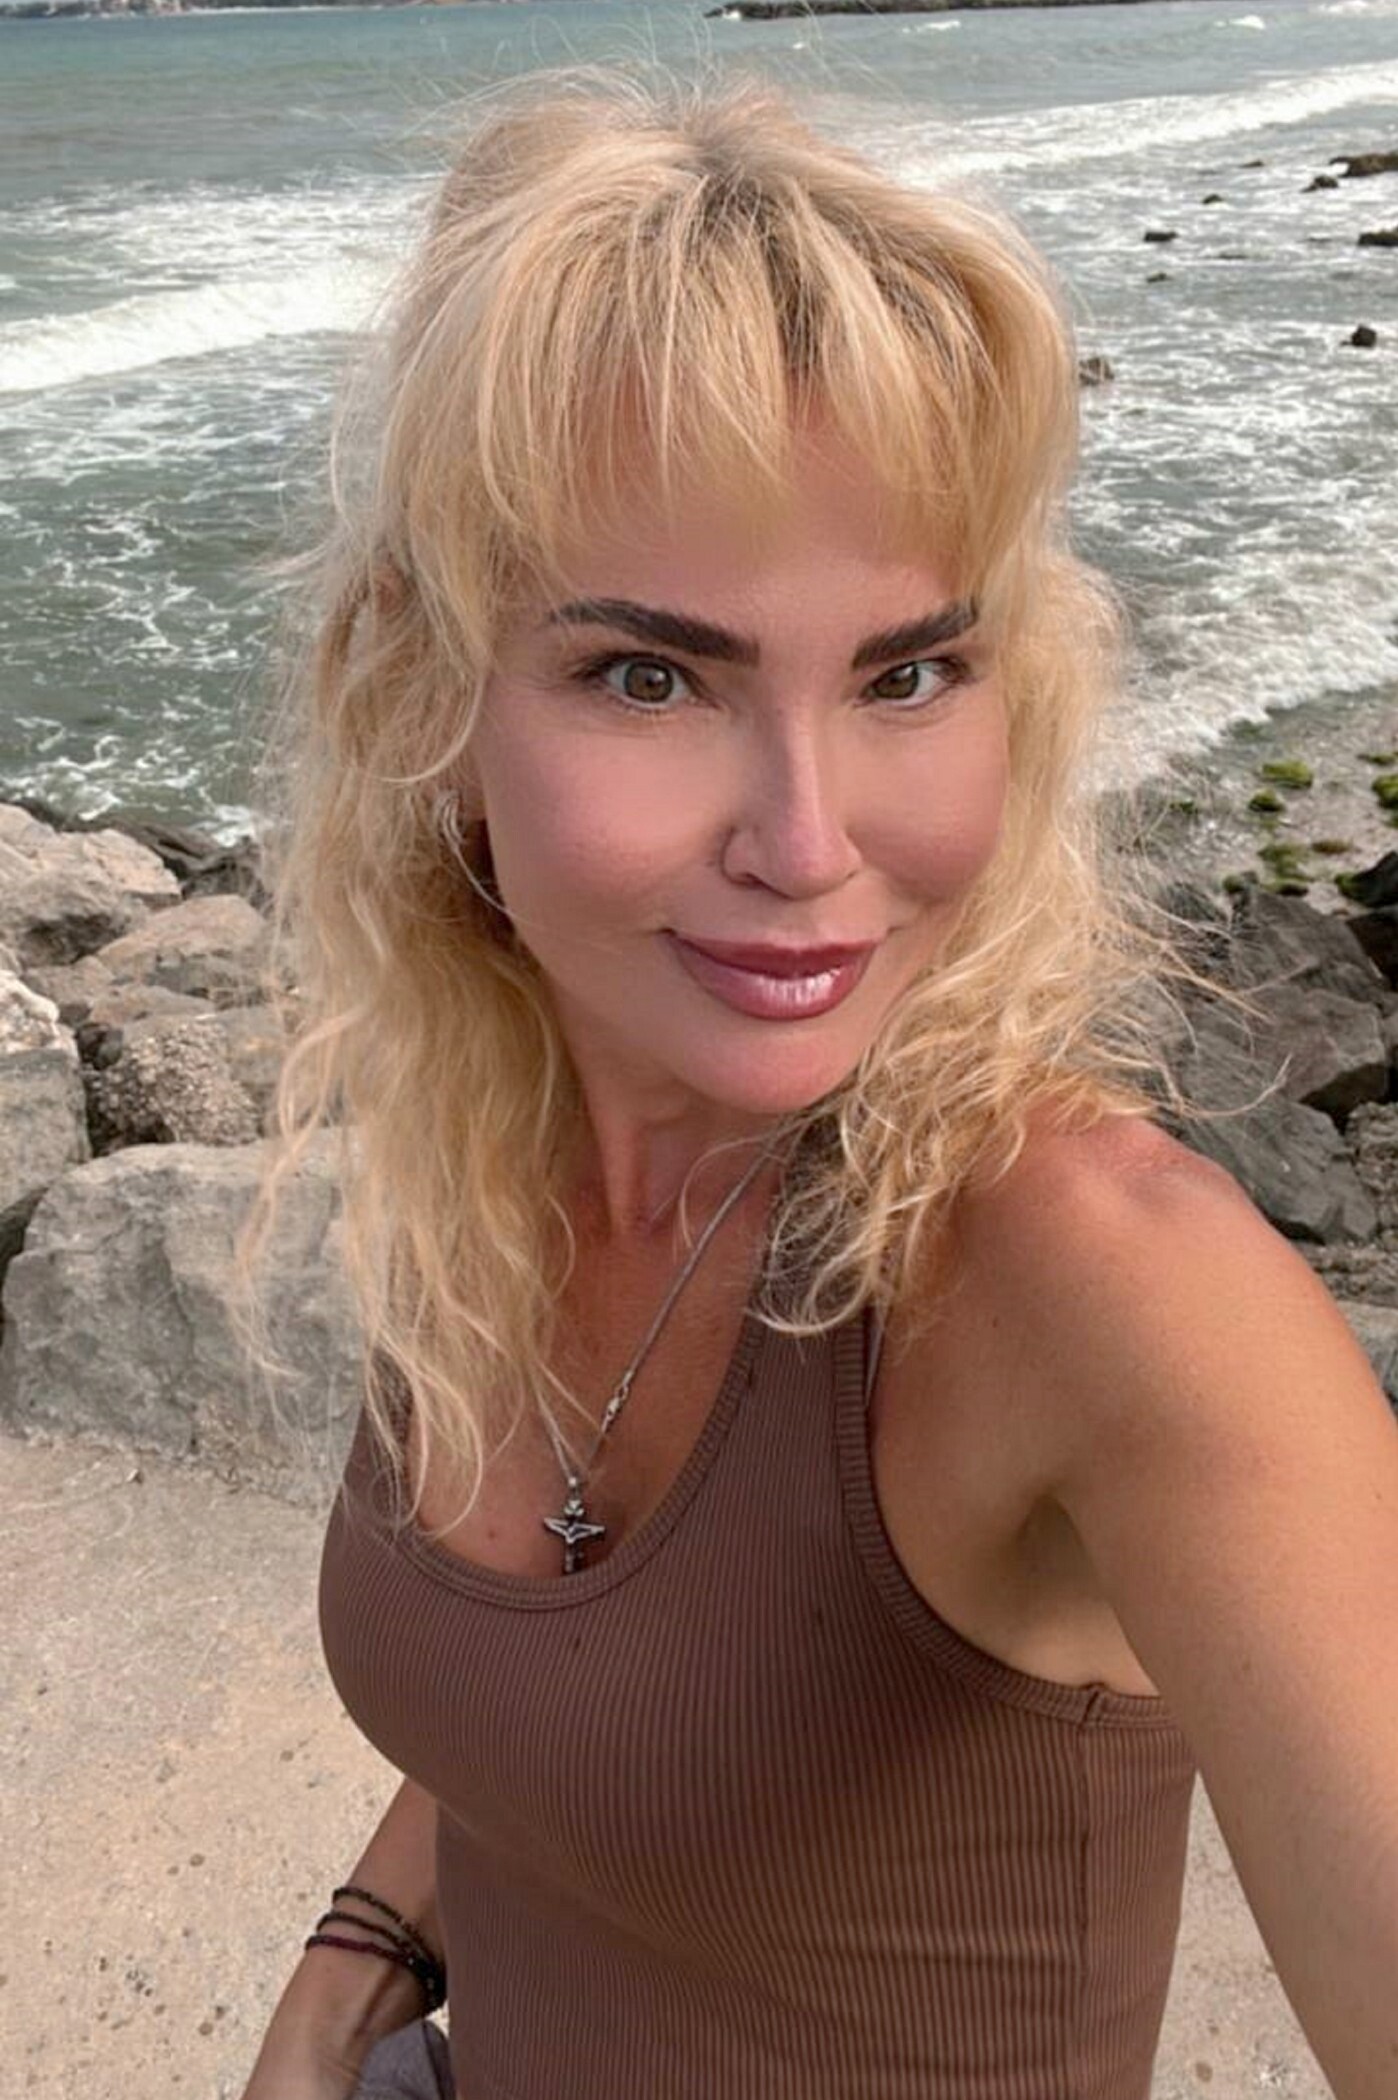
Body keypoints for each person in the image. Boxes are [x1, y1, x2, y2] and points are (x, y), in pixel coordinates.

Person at [234, 65, 1398, 2100]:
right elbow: (576, 1699)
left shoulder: (1104, 1284)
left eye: (905, 673)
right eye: (649, 676)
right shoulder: (507, 1131)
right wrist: (355, 1963)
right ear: (426, 693)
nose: (806, 841)